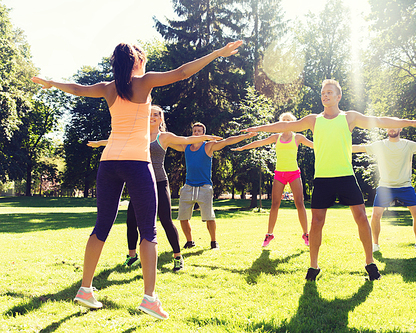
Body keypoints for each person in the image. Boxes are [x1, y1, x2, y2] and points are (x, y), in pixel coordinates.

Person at [32, 40, 242, 319]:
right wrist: (217, 52)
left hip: (108, 163)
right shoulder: (143, 82)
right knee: (148, 230)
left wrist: (51, 82)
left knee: (102, 226)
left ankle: (85, 288)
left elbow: (77, 89)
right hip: (136, 163)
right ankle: (149, 298)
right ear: (137, 62)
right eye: (144, 59)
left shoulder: (108, 88)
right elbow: (182, 72)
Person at [242, 79, 416, 282]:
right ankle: (313, 266)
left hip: (345, 176)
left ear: (338, 96)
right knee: (316, 222)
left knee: (360, 216)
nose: (325, 96)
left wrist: (410, 123)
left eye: (329, 92)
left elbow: (379, 120)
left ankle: (370, 263)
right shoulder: (313, 120)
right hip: (323, 179)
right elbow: (286, 125)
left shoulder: (349, 117)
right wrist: (259, 128)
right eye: (323, 93)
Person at [88, 105, 222, 272]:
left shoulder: (164, 136)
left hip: (159, 182)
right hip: (139, 182)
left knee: (166, 220)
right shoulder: (138, 135)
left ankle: (177, 256)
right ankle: (132, 256)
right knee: (131, 220)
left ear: (161, 119)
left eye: (156, 115)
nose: (152, 117)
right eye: (150, 114)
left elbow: (186, 140)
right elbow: (116, 141)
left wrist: (207, 137)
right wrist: (99, 143)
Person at [169, 123, 256, 250]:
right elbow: (169, 142)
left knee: (209, 217)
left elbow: (227, 141)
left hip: (205, 187)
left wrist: (246, 136)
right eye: (194, 131)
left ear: (204, 134)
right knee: (183, 217)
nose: (196, 133)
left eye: (199, 131)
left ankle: (213, 242)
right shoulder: (186, 146)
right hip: (188, 187)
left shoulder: (208, 146)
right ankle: (189, 241)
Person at [232, 112, 313, 247]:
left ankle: (306, 234)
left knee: (299, 203)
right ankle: (269, 235)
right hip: (279, 174)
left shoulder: (298, 137)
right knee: (275, 204)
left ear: (293, 123)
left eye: (289, 120)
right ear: (280, 123)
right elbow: (259, 143)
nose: (286, 123)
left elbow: (315, 146)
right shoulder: (276, 137)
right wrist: (243, 148)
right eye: (284, 120)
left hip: (294, 174)